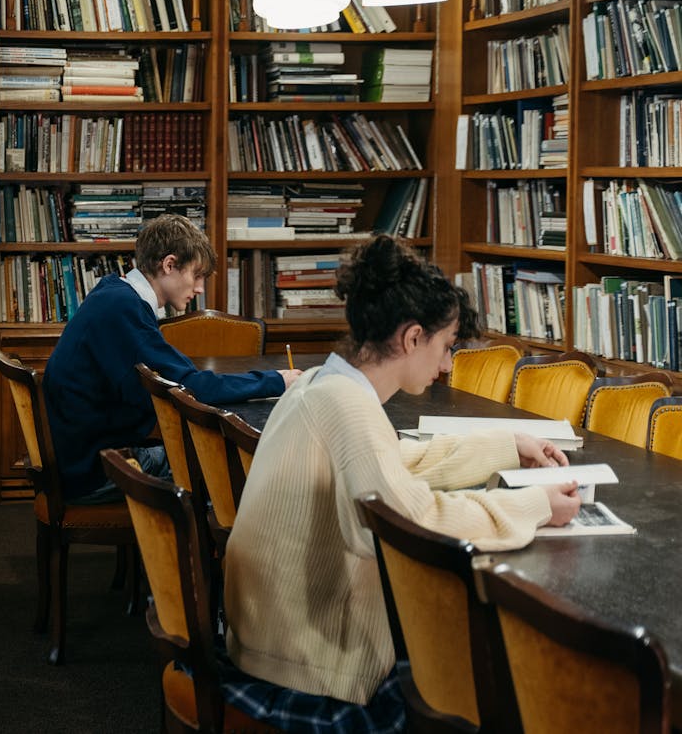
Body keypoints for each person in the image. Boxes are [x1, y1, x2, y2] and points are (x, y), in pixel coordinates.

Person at [221, 235, 580, 732]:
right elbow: (416, 523)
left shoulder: (324, 385)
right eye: (447, 347)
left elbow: (396, 461)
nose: (447, 365)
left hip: (271, 633)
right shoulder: (346, 407)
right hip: (306, 663)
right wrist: (534, 506)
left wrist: (507, 444)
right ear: (413, 338)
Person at [42, 214, 300, 504]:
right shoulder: (123, 308)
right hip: (97, 469)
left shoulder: (113, 292)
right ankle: (214, 545)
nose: (200, 289)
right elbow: (192, 387)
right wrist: (278, 380)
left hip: (85, 455)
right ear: (169, 265)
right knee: (230, 466)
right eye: (197, 275)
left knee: (215, 456)